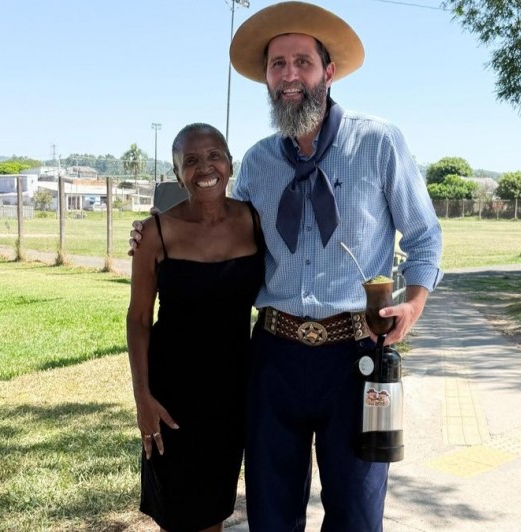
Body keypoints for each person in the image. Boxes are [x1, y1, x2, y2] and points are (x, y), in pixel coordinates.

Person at [130, 3, 443, 530]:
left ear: (328, 72)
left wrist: (413, 303)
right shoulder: (255, 162)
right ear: (268, 80)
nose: (289, 75)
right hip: (273, 358)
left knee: (356, 514)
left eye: (302, 62)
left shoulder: (379, 142)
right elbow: (218, 218)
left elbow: (424, 235)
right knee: (271, 515)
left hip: (356, 357)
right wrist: (154, 226)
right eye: (278, 65)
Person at [125, 123, 265, 532]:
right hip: (173, 398)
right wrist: (142, 399)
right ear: (177, 174)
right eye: (191, 160)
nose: (205, 167)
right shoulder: (156, 233)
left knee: (215, 509)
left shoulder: (255, 221)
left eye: (214, 155)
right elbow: (137, 318)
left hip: (233, 393)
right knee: (180, 513)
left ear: (230, 162)